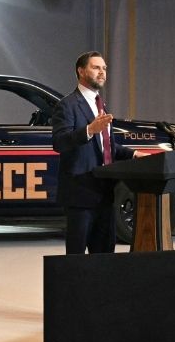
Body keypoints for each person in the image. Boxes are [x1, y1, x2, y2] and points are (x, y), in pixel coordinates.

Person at [50, 51, 134, 255]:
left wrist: (134, 155)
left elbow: (107, 146)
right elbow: (60, 143)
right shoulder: (67, 105)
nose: (102, 72)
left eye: (104, 68)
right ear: (81, 71)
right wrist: (89, 130)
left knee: (105, 256)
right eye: (96, 67)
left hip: (105, 193)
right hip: (80, 194)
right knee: (77, 259)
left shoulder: (101, 105)